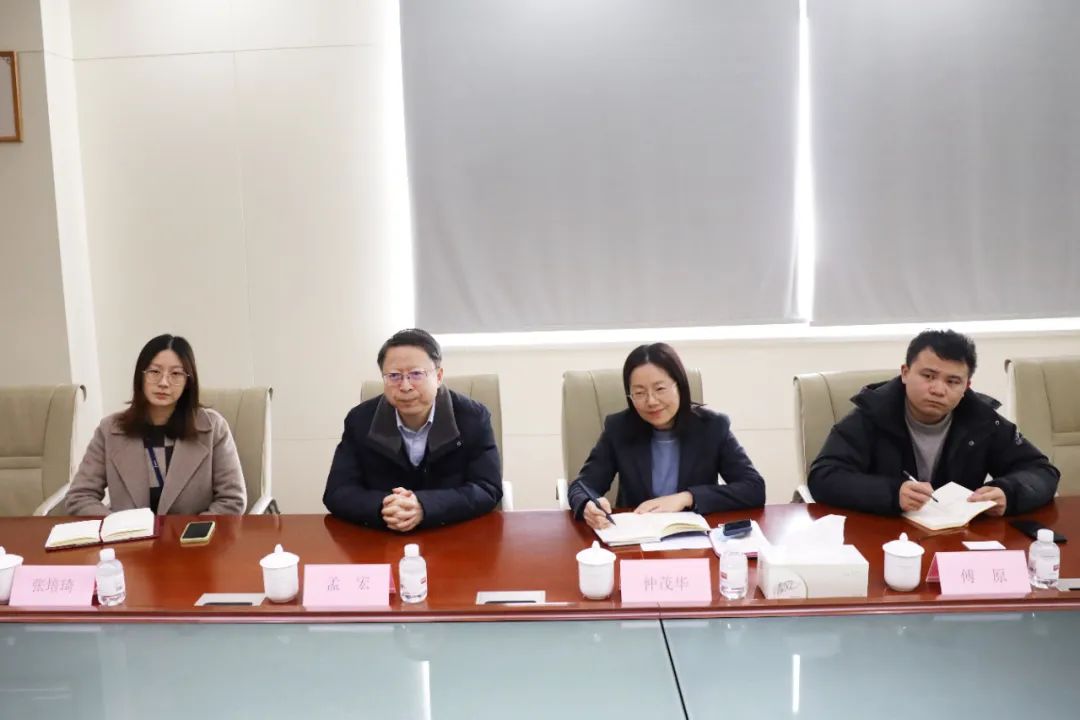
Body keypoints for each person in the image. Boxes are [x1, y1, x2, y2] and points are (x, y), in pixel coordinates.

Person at [808, 329, 1059, 516]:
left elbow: (1042, 472)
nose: (938, 390)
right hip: (886, 536)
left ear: (966, 386)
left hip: (956, 541)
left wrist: (1008, 492)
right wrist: (892, 493)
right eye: (928, 376)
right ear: (905, 373)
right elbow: (823, 477)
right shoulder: (872, 414)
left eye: (952, 381)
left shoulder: (983, 420)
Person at [568, 343, 766, 529]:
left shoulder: (712, 427)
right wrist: (587, 504)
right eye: (639, 392)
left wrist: (687, 497)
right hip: (636, 537)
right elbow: (581, 486)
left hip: (693, 537)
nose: (651, 401)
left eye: (660, 389)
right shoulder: (619, 428)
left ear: (679, 386)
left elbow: (754, 488)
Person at [324, 328, 502, 531]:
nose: (405, 386)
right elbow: (337, 492)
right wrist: (384, 507)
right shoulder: (360, 420)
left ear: (439, 376)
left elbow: (487, 488)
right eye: (394, 376)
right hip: (382, 535)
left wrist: (424, 506)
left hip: (451, 533)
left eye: (416, 374)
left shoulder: (473, 418)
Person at [65, 334, 247, 515]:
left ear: (188, 382)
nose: (163, 383)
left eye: (176, 374)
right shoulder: (109, 430)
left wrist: (194, 530)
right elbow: (80, 496)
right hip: (129, 534)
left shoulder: (213, 428)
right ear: (141, 376)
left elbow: (232, 499)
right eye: (154, 372)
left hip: (191, 533)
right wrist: (116, 525)